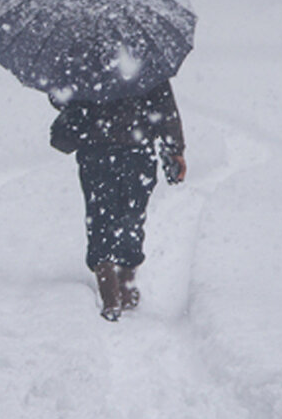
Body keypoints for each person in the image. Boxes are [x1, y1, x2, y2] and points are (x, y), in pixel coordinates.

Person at [48, 79, 186, 321]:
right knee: (131, 214)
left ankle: (109, 286)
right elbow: (164, 107)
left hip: (96, 148)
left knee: (100, 214)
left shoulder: (80, 56)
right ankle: (125, 280)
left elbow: (60, 98)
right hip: (135, 147)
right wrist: (174, 149)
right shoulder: (145, 57)